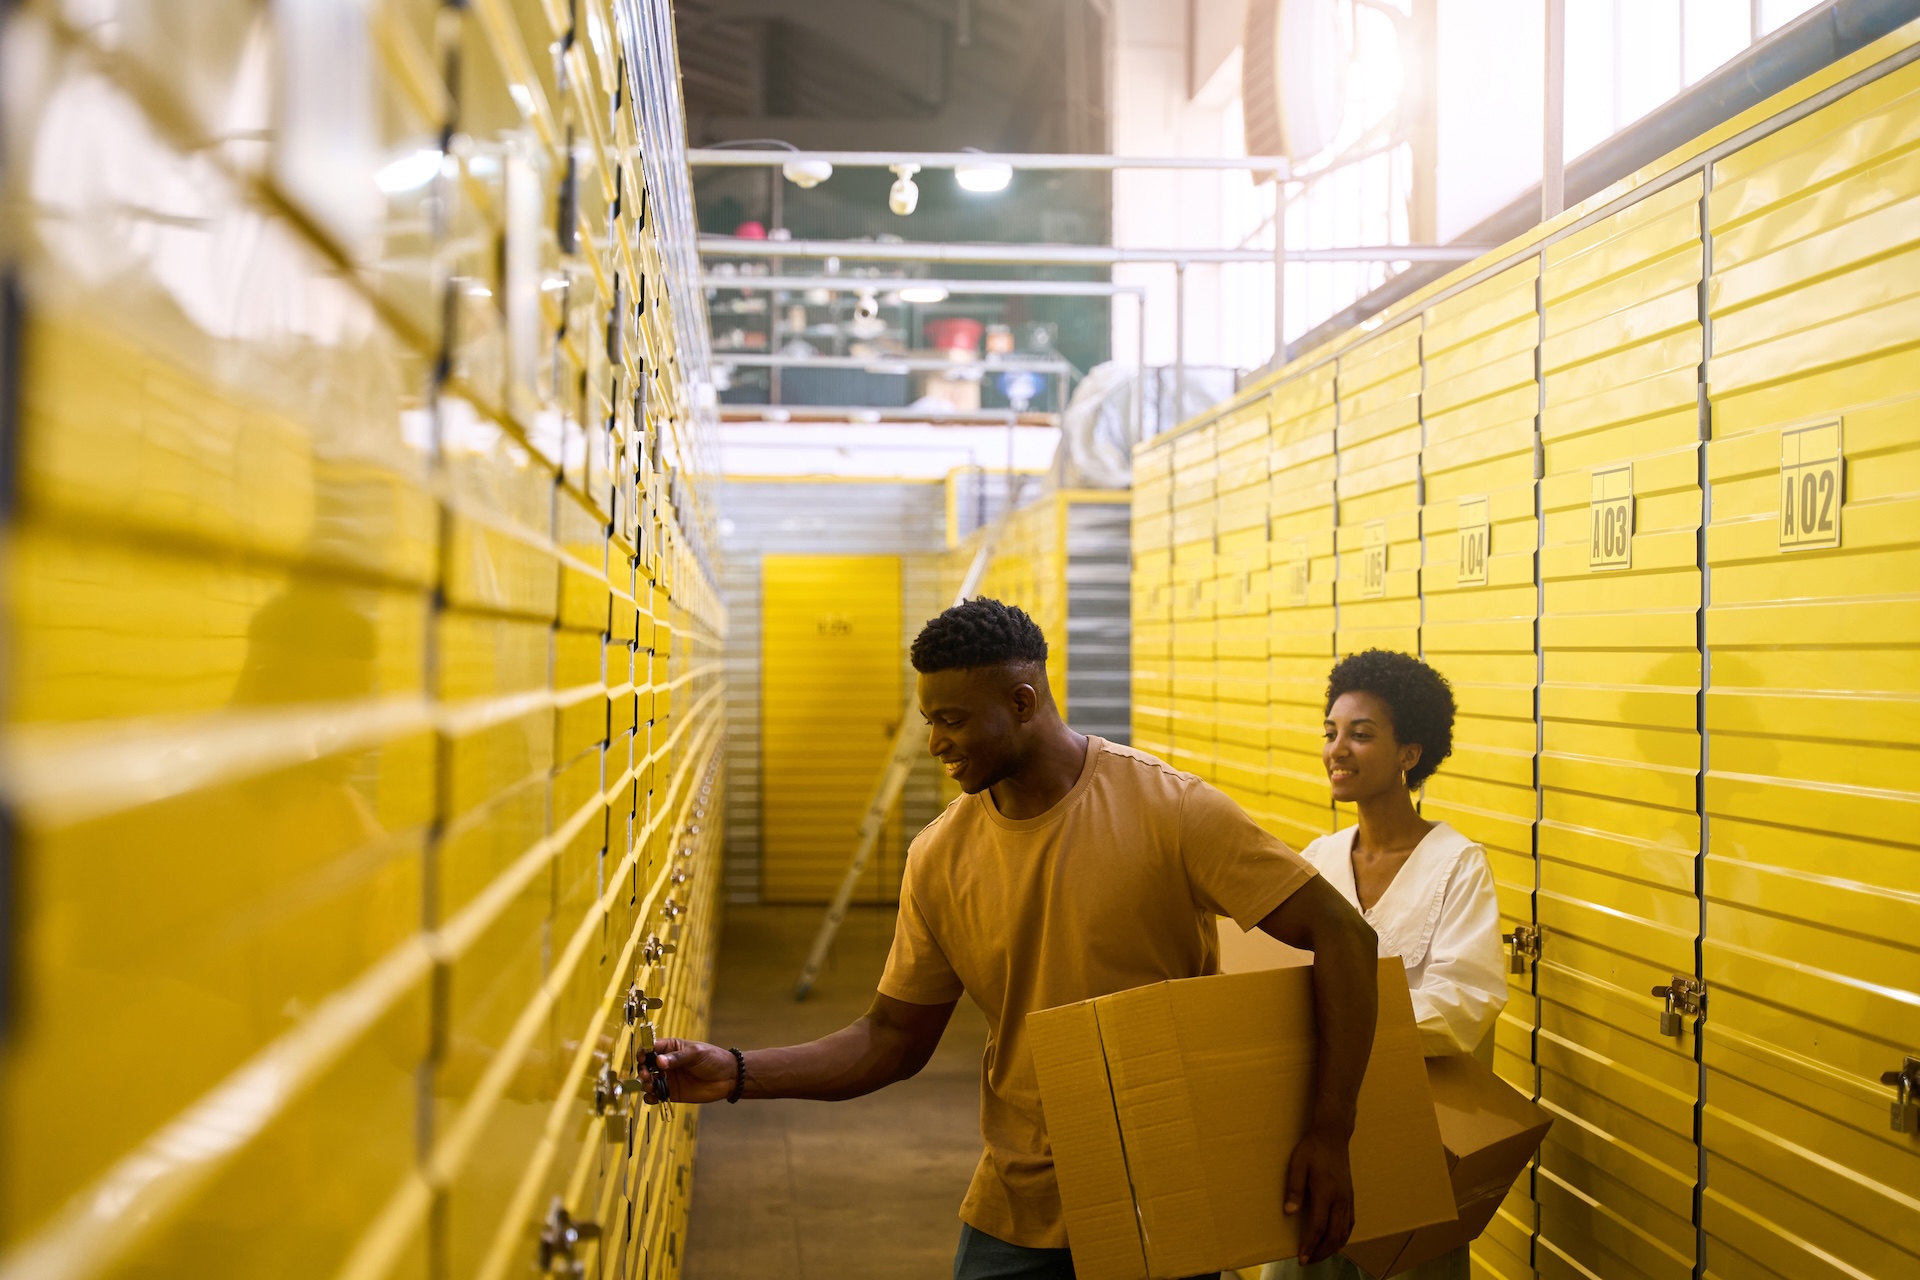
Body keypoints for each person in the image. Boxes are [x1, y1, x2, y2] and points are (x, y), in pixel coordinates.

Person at [646, 598, 1383, 1280]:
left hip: (1160, 1192)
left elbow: (1341, 934)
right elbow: (891, 1039)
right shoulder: (938, 857)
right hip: (1018, 1198)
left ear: (1023, 703)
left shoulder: (1170, 810)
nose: (935, 742)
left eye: (954, 720)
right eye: (929, 719)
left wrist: (1330, 1132)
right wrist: (738, 1072)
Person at [1261, 650, 1508, 1280]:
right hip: (1317, 1134)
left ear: (1409, 754)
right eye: (1331, 732)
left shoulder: (1456, 864)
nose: (1337, 749)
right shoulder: (1319, 857)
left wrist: (1336, 1030)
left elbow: (1463, 1007)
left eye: (1361, 735)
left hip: (1412, 1142)